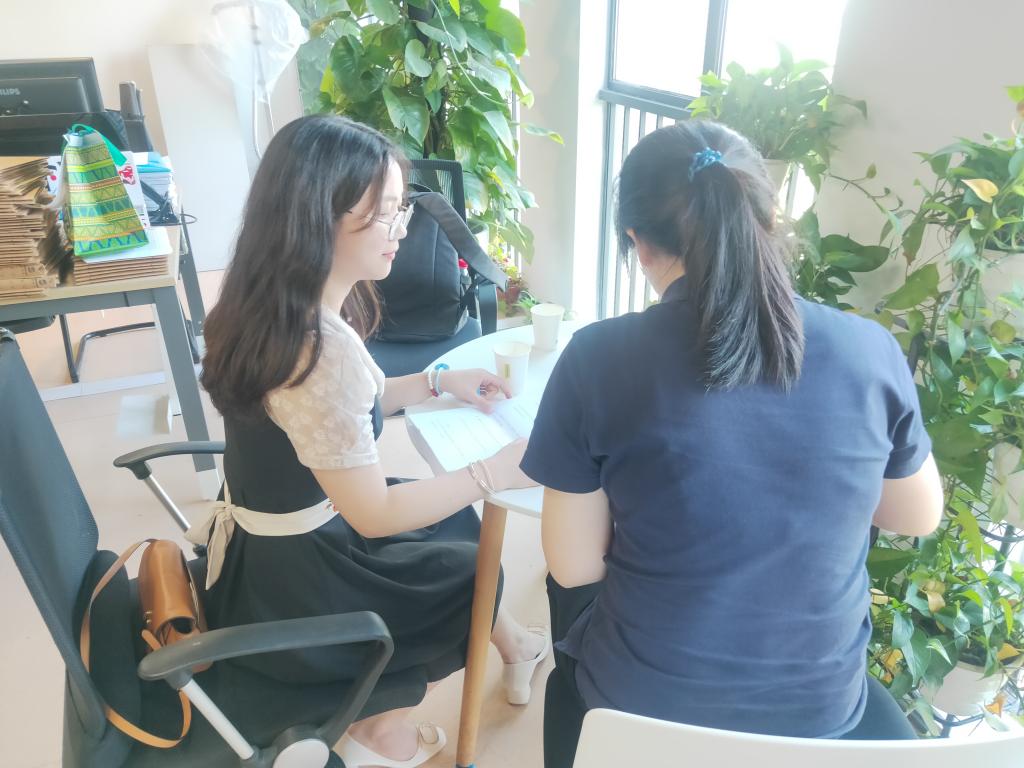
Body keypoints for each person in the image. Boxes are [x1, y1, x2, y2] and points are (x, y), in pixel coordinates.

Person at [520, 119, 944, 768]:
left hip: (640, 711)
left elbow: (574, 567)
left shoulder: (598, 359)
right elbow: (917, 515)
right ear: (768, 219)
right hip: (818, 721)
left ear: (638, 243)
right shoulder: (869, 351)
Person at [199, 115, 548, 768]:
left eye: (399, 210)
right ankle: (381, 733)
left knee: (452, 527)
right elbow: (375, 514)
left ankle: (516, 646)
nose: (402, 230)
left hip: (261, 547)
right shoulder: (320, 350)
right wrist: (495, 470)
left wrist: (435, 381)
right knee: (469, 567)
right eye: (385, 214)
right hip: (301, 583)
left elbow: (328, 415)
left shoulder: (263, 305)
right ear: (317, 217)